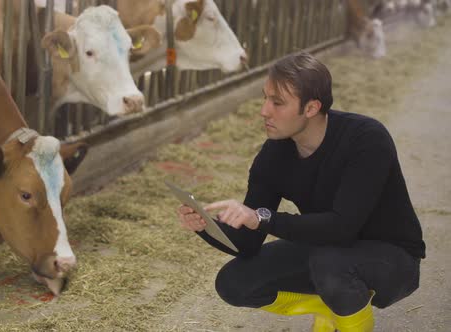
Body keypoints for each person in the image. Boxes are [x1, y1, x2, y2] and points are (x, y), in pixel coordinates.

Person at [177, 52, 425, 332]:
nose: (264, 111)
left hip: (393, 259)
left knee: (329, 264)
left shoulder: (366, 138)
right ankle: (330, 309)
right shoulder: (274, 154)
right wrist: (206, 227)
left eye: (277, 103)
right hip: (327, 250)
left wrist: (262, 217)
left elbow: (342, 227)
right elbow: (248, 244)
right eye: (265, 98)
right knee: (233, 282)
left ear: (311, 108)